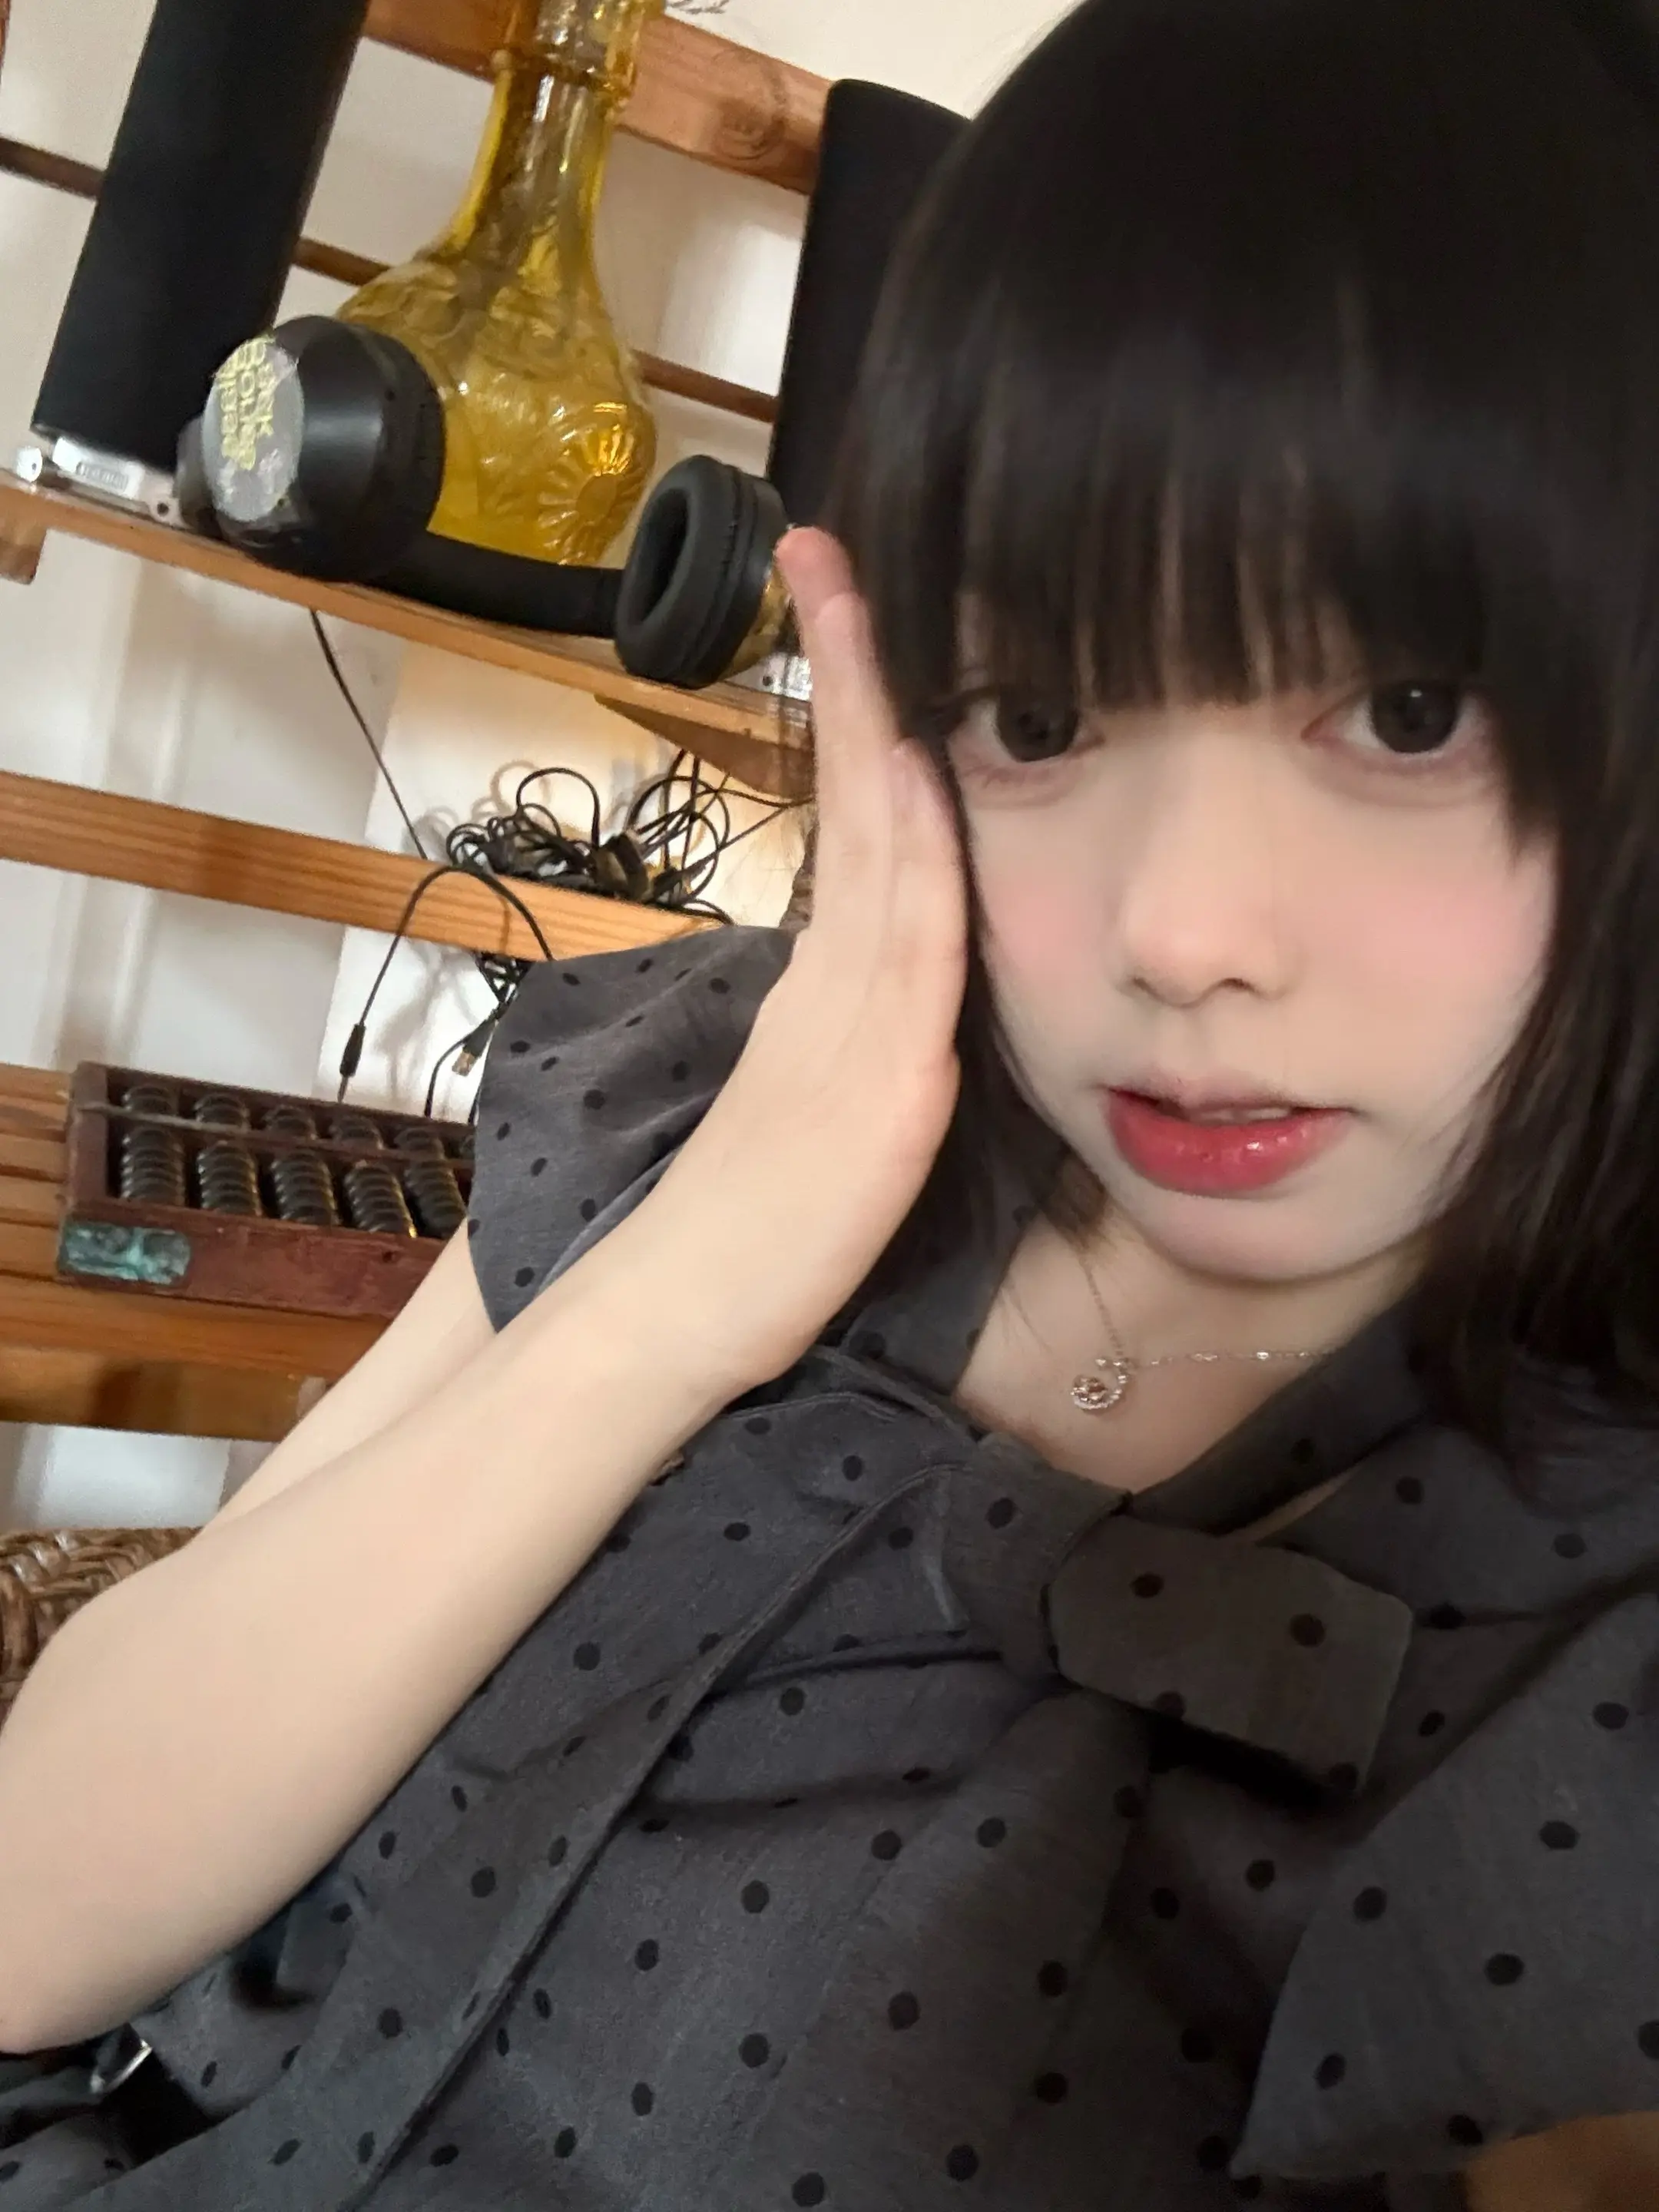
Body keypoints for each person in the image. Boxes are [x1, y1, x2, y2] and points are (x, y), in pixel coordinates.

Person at [2, 0, 1659, 2201]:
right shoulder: (707, 1078)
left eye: (1412, 710)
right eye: (1042, 715)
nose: (1180, 932)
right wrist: (692, 1284)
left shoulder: (1593, 1625)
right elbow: (28, 1920)